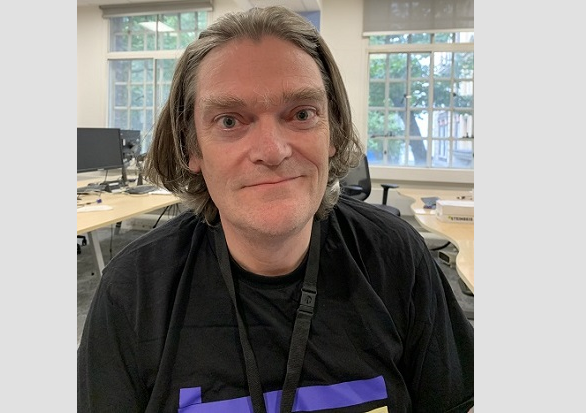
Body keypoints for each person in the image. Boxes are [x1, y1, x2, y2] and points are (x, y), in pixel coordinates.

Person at [77, 6, 474, 412]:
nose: (272, 151)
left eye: (302, 114)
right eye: (230, 121)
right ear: (190, 146)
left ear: (332, 132)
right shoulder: (133, 292)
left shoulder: (396, 259)